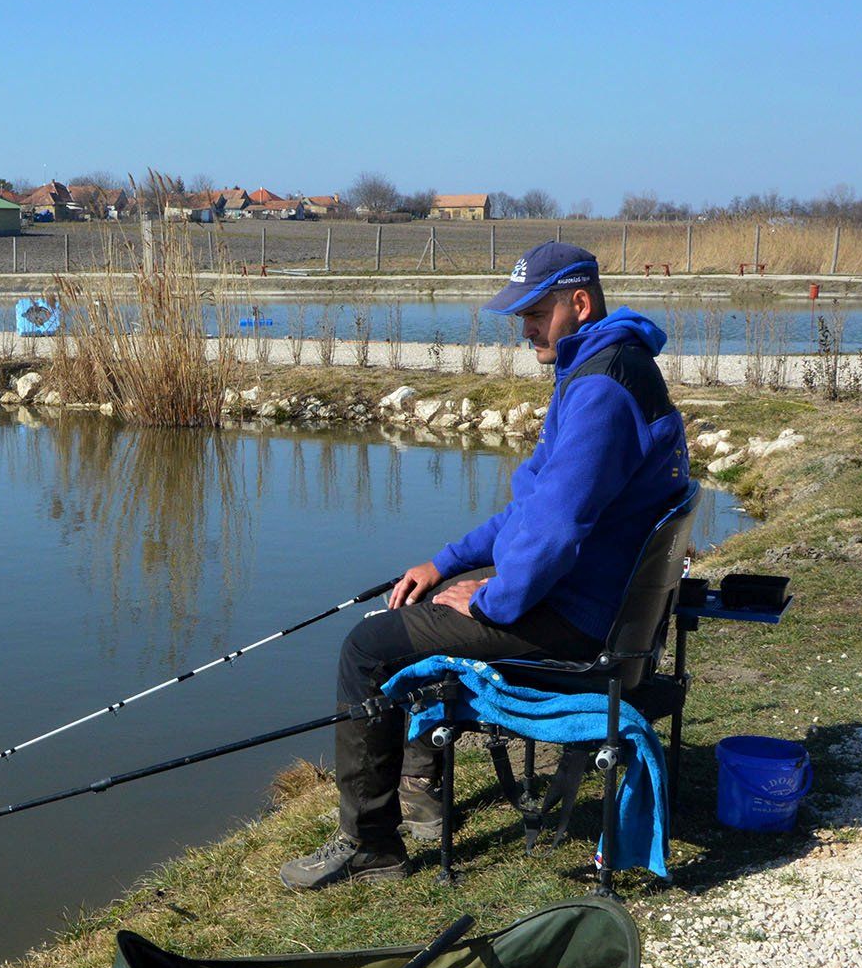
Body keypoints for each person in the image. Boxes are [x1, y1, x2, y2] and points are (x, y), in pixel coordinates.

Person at [281, 242, 691, 890]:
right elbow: (531, 511)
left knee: (367, 647)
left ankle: (371, 849)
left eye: (535, 312)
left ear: (578, 304)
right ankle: (417, 788)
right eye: (520, 315)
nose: (524, 328)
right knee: (417, 601)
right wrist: (445, 564)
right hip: (597, 606)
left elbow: (553, 534)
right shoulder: (610, 367)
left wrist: (489, 601)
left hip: (578, 630)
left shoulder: (601, 391)